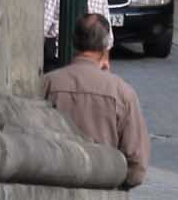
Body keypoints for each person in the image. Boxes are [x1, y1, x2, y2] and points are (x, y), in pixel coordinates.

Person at [42, 12, 150, 189]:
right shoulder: (122, 92)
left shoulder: (48, 83)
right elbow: (137, 164)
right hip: (104, 187)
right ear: (105, 45)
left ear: (74, 41)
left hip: (55, 186)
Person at [43, 0, 112, 68]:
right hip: (92, 57)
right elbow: (107, 31)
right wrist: (105, 59)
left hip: (58, 53)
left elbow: (44, 24)